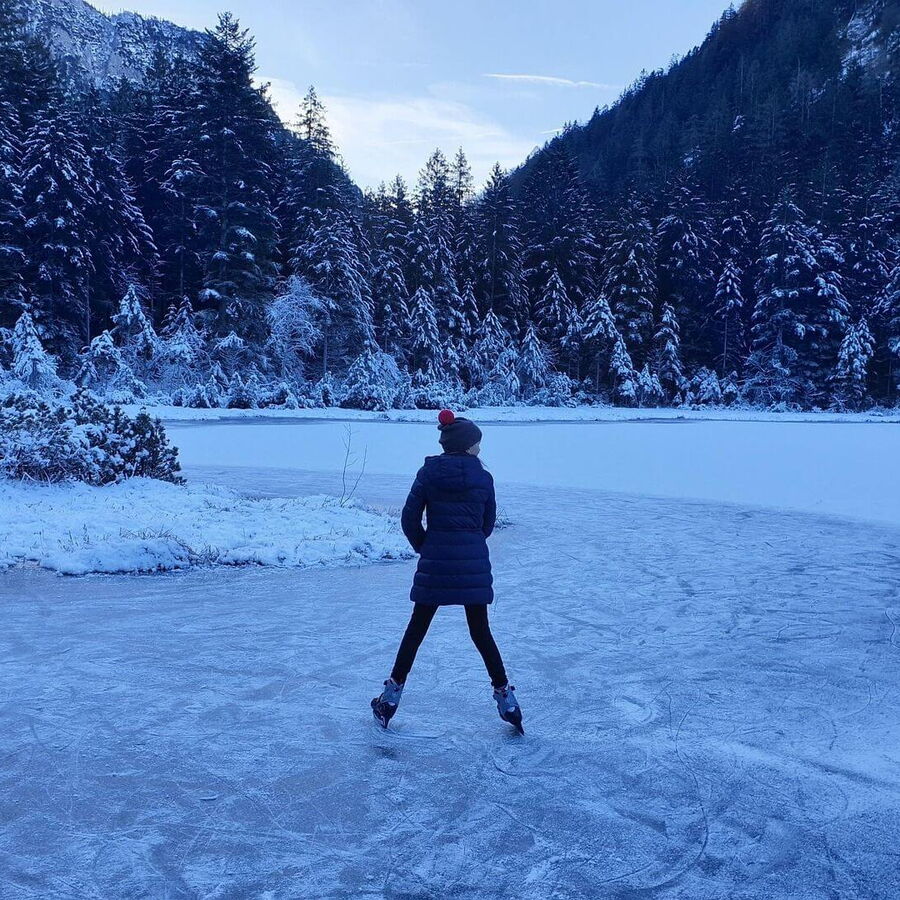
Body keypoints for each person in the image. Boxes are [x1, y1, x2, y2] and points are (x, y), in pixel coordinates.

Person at [371, 409, 523, 734]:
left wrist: (426, 546)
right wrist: (469, 543)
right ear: (467, 445)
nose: (480, 448)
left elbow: (409, 519)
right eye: (477, 443)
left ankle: (390, 698)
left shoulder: (428, 474)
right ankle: (507, 701)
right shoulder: (483, 478)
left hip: (435, 564)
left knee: (416, 630)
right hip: (472, 567)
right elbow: (487, 525)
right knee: (481, 632)